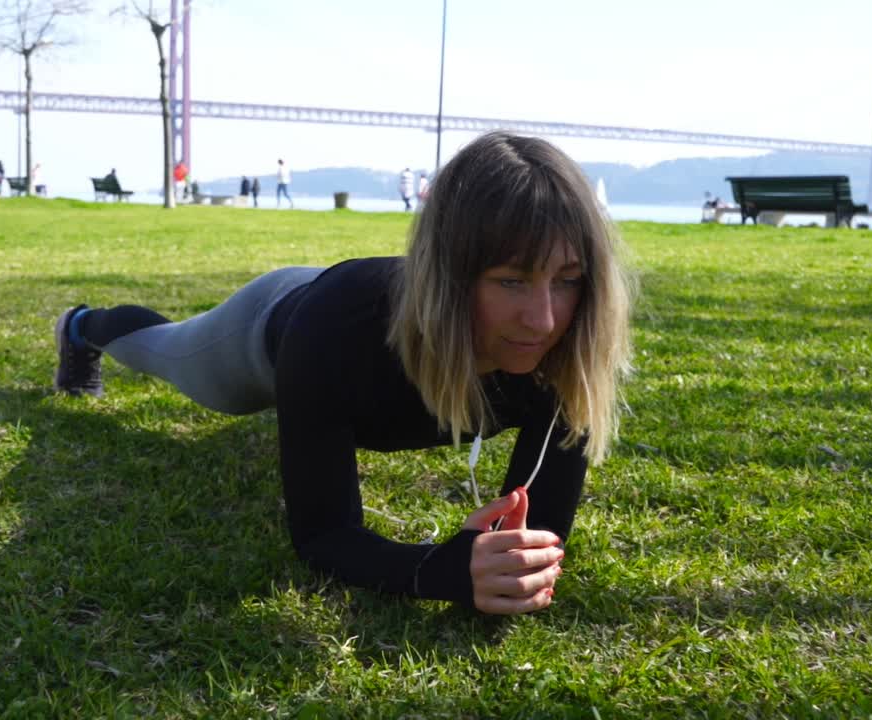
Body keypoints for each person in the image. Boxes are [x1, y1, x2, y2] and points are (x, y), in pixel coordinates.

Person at [51, 131, 634, 615]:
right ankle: (81, 326)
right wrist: (437, 570)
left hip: (345, 314)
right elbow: (323, 535)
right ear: (452, 276)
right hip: (277, 322)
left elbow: (542, 536)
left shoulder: (569, 349)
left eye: (568, 279)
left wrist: (509, 570)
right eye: (511, 280)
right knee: (169, 352)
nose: (544, 318)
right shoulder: (336, 334)